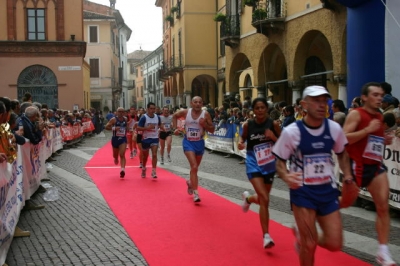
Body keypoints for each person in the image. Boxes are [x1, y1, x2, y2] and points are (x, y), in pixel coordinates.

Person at [272, 85, 356, 266]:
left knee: (335, 243)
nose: (321, 105)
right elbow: (279, 161)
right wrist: (286, 177)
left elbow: (342, 153)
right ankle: (304, 241)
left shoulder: (334, 128)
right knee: (309, 245)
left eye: (324, 101)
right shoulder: (292, 132)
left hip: (327, 190)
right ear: (304, 104)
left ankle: (301, 236)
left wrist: (348, 177)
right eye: (316, 101)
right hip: (303, 192)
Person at [343, 82, 397, 266]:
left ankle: (383, 251)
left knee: (383, 207)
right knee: (343, 203)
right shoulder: (356, 114)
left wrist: (384, 140)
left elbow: (373, 139)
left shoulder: (380, 116)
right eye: (375, 94)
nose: (379, 98)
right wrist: (367, 130)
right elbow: (344, 138)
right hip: (356, 167)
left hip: (374, 166)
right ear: (364, 97)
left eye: (381, 95)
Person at [238, 97, 281, 249]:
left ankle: (248, 198)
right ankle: (266, 236)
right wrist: (241, 143)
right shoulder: (248, 125)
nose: (260, 110)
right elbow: (242, 139)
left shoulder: (273, 124)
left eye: (263, 107)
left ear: (267, 109)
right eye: (257, 108)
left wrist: (273, 137)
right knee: (264, 198)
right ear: (253, 110)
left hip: (269, 164)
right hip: (253, 163)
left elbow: (283, 144)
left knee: (264, 199)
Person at [172, 96, 215, 203]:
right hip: (188, 142)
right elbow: (174, 116)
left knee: (194, 169)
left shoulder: (205, 114)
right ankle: (196, 193)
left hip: (199, 142)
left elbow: (212, 130)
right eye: (195, 102)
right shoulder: (186, 112)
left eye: (200, 102)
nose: (197, 104)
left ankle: (191, 183)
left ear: (202, 104)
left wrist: (204, 124)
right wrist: (175, 128)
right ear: (192, 103)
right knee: (194, 166)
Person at [137, 103, 163, 178]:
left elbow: (160, 124)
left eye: (153, 108)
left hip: (154, 138)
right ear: (147, 109)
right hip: (145, 138)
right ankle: (144, 168)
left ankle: (154, 171)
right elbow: (138, 128)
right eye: (151, 108)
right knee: (145, 156)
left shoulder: (157, 117)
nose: (152, 110)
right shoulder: (144, 117)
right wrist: (147, 128)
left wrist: (163, 128)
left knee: (154, 154)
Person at [105, 107, 128, 178]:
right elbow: (106, 127)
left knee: (122, 154)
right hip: (115, 139)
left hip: (123, 139)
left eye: (122, 112)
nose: (121, 113)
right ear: (117, 112)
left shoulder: (125, 119)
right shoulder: (113, 119)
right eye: (119, 111)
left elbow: (126, 127)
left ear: (124, 112)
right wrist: (114, 128)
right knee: (115, 155)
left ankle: (122, 170)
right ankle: (115, 158)